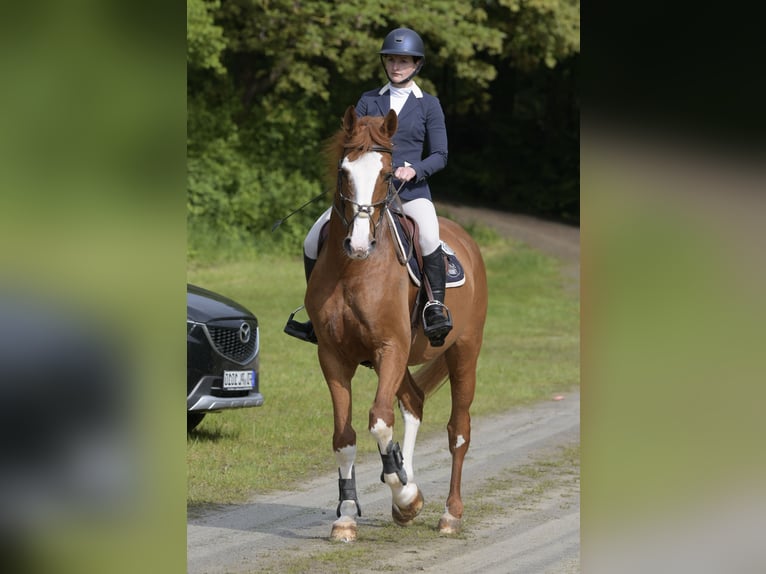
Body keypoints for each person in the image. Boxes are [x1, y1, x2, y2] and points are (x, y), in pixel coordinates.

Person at [285, 27, 452, 347]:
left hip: (410, 194)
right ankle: (316, 314)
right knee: (311, 239)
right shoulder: (368, 100)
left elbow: (441, 155)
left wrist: (413, 169)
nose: (396, 66)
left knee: (430, 235)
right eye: (391, 60)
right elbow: (350, 143)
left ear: (417, 65)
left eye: (404, 61)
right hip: (366, 193)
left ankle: (435, 307)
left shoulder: (429, 105)